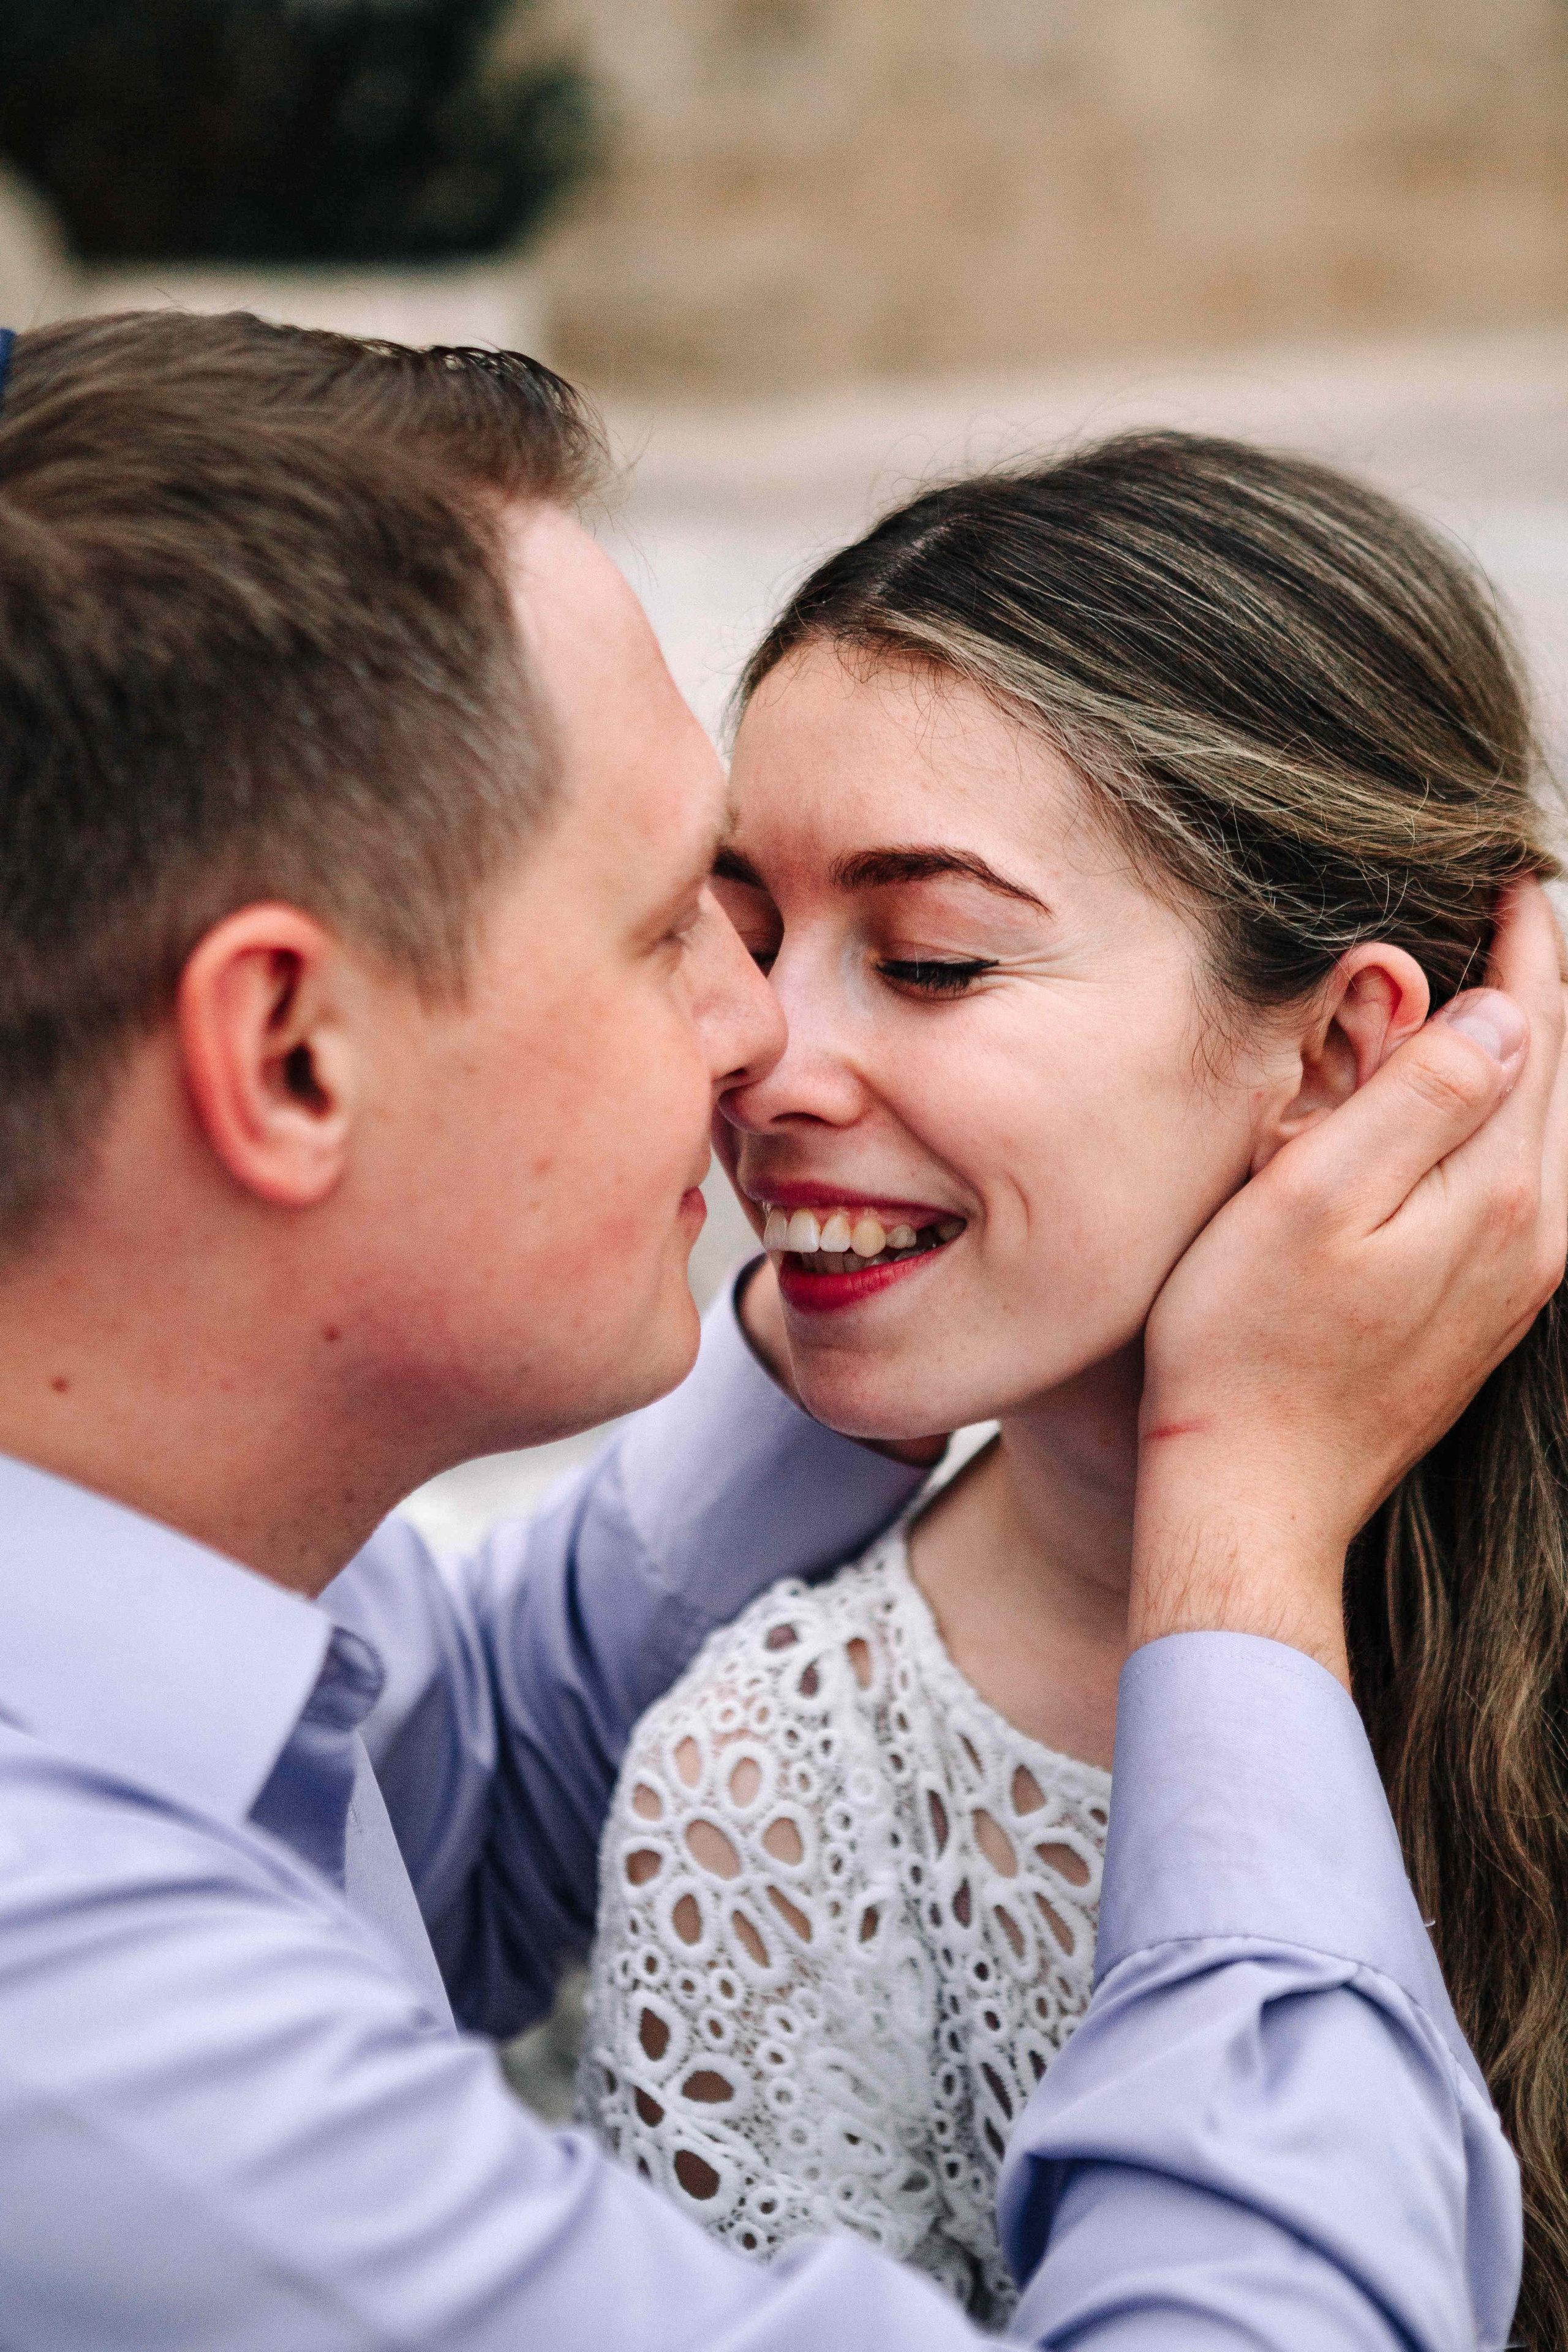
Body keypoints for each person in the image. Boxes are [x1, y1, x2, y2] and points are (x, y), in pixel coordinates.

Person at [0, 314, 1556, 2351]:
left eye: (919, 957)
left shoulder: (194, 1603)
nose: (755, 1045)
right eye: (678, 933)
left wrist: (871, 1327)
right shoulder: (102, 2070)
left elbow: (453, 1761)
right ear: (289, 1056)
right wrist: (1244, 1523)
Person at [575, 431, 1568, 2340]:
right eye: (754, 936)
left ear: (1352, 1047)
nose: (762, 1055)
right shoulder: (778, 1804)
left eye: (933, 960)